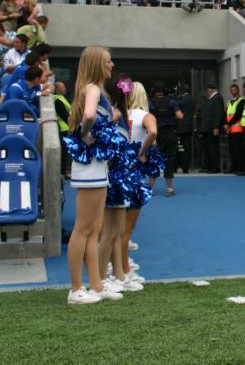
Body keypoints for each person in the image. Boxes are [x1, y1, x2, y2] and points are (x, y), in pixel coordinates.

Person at [66, 45, 122, 304]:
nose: (111, 65)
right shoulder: (93, 88)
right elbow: (88, 115)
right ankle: (76, 288)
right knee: (83, 228)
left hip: (97, 165)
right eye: (108, 61)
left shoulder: (98, 91)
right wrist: (86, 133)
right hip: (89, 165)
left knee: (95, 229)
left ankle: (96, 285)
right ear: (98, 63)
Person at [99, 75, 144, 295]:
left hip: (121, 174)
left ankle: (118, 274)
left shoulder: (122, 114)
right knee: (109, 232)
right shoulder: (115, 114)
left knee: (116, 231)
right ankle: (100, 279)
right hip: (113, 175)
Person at [120, 81, 157, 284]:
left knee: (115, 225)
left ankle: (118, 264)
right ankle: (123, 269)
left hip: (118, 171)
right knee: (127, 228)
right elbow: (153, 132)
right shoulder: (145, 115)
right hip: (134, 173)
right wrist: (142, 152)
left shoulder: (121, 114)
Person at [149, 82, 184, 196]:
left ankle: (150, 189)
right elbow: (180, 116)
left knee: (154, 160)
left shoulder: (151, 102)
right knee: (170, 160)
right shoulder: (172, 101)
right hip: (170, 134)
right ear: (164, 91)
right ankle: (169, 189)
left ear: (154, 92)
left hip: (156, 134)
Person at [199, 84, 224, 174]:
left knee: (212, 148)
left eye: (209, 90)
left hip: (211, 128)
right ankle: (208, 167)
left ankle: (215, 167)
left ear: (212, 90)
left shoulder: (217, 98)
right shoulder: (211, 99)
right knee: (207, 148)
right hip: (206, 128)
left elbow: (218, 114)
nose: (208, 91)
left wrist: (216, 127)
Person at [224, 84, 245, 175]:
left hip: (238, 129)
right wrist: (225, 124)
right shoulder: (229, 102)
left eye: (235, 90)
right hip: (230, 130)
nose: (233, 92)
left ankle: (240, 168)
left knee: (238, 150)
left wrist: (228, 124)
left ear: (238, 91)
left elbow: (238, 115)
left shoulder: (241, 101)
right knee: (232, 150)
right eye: (232, 90)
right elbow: (225, 114)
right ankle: (234, 167)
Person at [53, 81, 72, 178]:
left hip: (66, 128)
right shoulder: (57, 100)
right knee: (64, 152)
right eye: (62, 87)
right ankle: (63, 173)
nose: (65, 88)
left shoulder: (62, 98)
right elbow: (64, 115)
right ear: (56, 89)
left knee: (66, 151)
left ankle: (64, 172)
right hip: (62, 129)